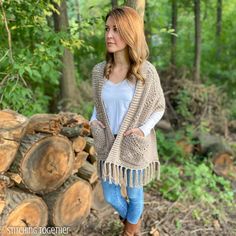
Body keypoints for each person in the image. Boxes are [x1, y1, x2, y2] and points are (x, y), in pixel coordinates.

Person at [89, 6, 165, 236]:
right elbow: (98, 105)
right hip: (107, 142)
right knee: (111, 195)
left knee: (134, 194)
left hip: (132, 142)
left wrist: (142, 130)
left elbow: (158, 107)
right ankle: (133, 221)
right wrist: (93, 122)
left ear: (131, 33)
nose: (109, 35)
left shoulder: (145, 72)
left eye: (116, 30)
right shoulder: (99, 71)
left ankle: (130, 230)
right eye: (107, 29)